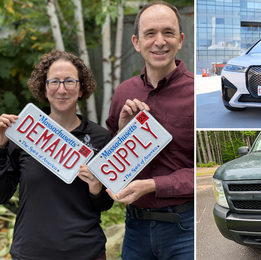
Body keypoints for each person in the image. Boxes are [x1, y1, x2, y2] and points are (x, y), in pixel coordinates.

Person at [0, 49, 113, 259]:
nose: (62, 90)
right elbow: (1, 194)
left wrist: (97, 188)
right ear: (44, 88)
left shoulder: (99, 137)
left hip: (86, 253)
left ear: (81, 89)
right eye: (54, 82)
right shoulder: (23, 134)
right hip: (31, 253)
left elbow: (105, 204)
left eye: (70, 81)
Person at [105, 1, 194, 259]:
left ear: (180, 40)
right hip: (135, 228)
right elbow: (110, 165)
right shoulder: (124, 93)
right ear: (136, 42)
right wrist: (122, 133)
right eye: (150, 33)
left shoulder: (195, 94)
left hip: (184, 230)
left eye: (168, 32)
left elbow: (202, 170)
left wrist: (153, 185)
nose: (159, 41)